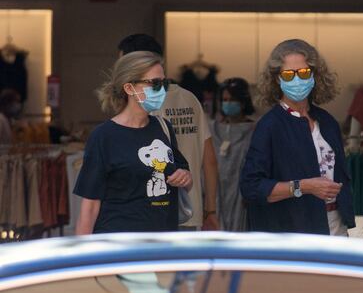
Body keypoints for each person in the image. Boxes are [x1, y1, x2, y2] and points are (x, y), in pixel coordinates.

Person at [240, 39, 355, 236]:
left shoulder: (327, 122)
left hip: (335, 225)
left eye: (303, 73)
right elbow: (251, 187)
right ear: (277, 78)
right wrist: (303, 187)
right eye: (288, 74)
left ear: (315, 75)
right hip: (294, 231)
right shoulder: (269, 126)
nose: (297, 80)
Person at [74, 51, 192, 234]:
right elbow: (89, 205)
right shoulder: (104, 136)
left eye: (164, 83)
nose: (161, 90)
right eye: (154, 83)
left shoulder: (163, 128)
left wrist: (184, 176)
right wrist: (82, 256)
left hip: (162, 241)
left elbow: (185, 177)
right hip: (119, 243)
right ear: (129, 88)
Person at [118, 34, 219, 231]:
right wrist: (210, 210)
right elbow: (210, 160)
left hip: (153, 212)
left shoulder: (142, 102)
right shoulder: (191, 99)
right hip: (190, 208)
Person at [210, 77, 255, 231]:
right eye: (225, 100)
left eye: (232, 99)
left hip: (241, 199)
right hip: (216, 197)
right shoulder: (213, 130)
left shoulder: (254, 131)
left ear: (243, 101)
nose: (228, 103)